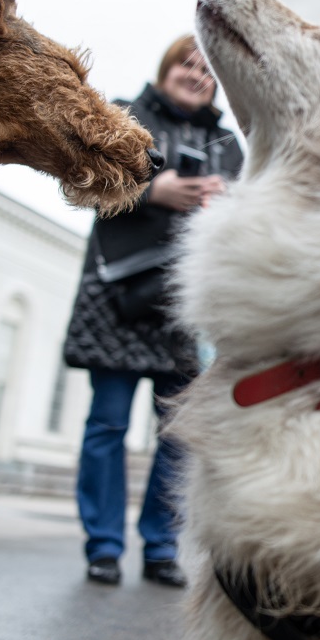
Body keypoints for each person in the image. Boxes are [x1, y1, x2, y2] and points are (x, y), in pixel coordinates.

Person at [62, 36, 242, 588]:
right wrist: (151, 191)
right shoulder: (124, 116)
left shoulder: (227, 144)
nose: (196, 74)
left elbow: (244, 218)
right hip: (117, 296)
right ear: (165, 68)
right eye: (185, 64)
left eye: (207, 70)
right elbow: (81, 184)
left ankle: (162, 546)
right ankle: (104, 546)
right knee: (109, 423)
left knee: (179, 431)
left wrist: (221, 202)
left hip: (184, 306)